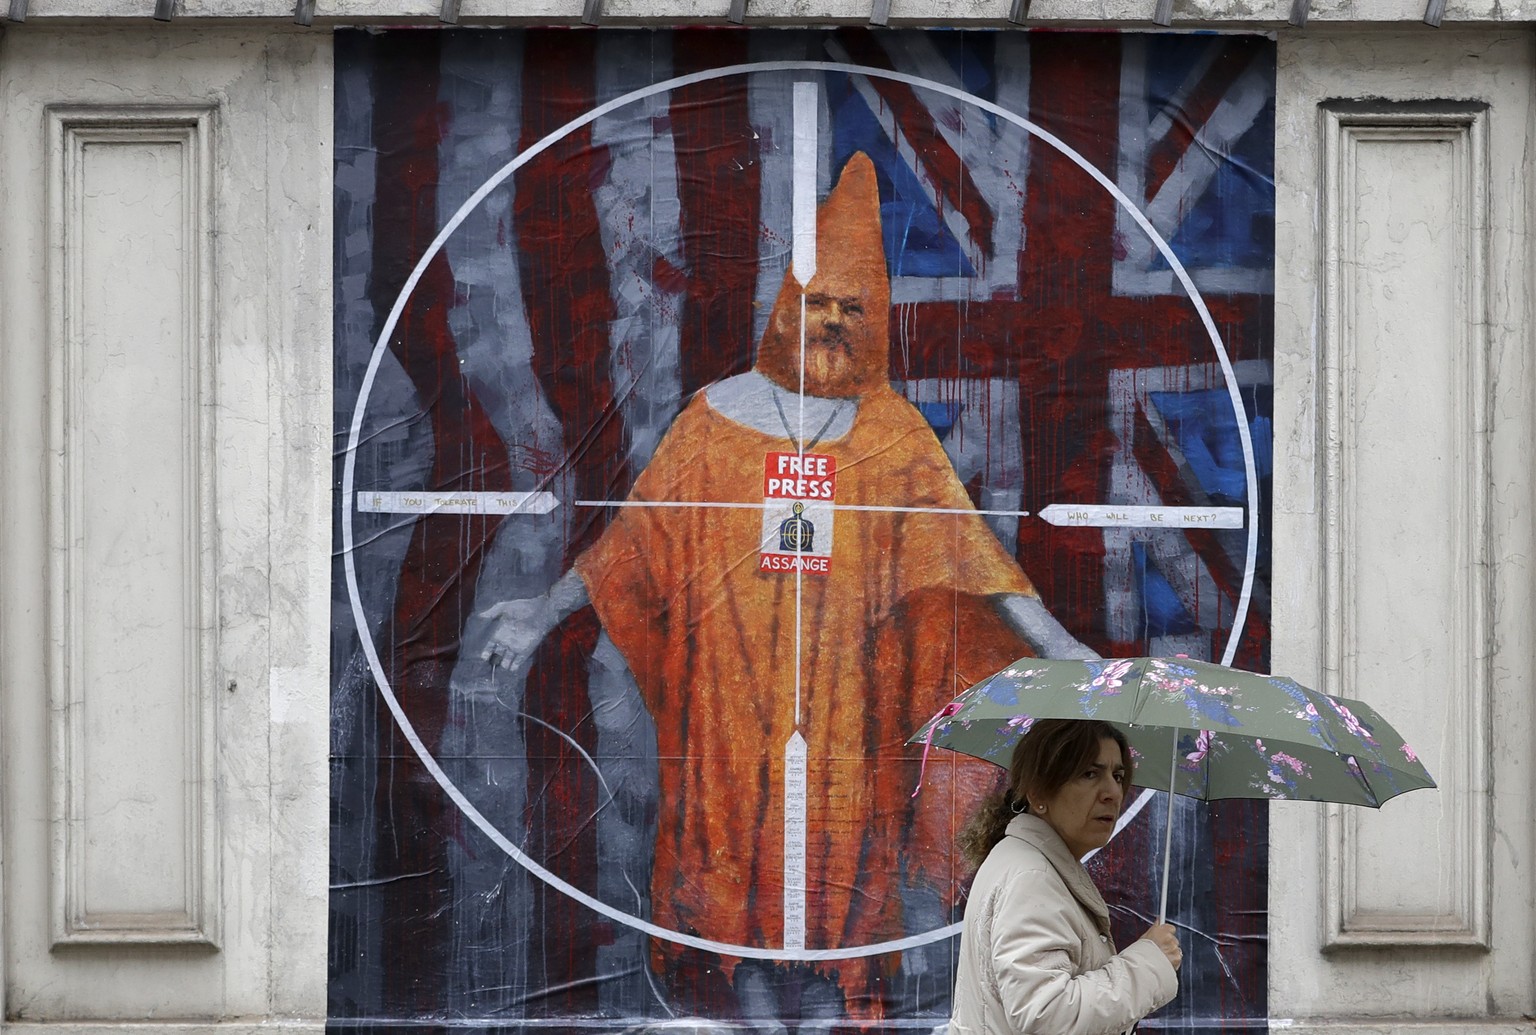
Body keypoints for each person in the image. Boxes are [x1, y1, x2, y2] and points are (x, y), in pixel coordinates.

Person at [479, 152, 1094, 1018]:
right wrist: (541, 614)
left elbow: (971, 560)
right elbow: (633, 545)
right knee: (728, 876)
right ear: (786, 308)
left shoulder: (893, 433)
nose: (834, 323)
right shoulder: (712, 419)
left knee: (844, 879)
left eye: (855, 309)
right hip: (728, 710)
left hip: (850, 708)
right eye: (820, 304)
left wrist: (1061, 646)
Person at [949, 719, 1181, 1035]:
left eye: (1118, 776)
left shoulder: (1029, 862)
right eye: (1089, 774)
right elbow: (1047, 1015)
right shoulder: (1031, 876)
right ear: (1038, 793)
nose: (1113, 792)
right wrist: (1149, 963)